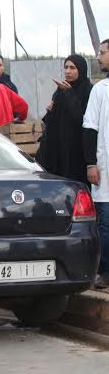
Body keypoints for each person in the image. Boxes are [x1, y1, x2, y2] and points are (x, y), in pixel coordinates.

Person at [37, 55, 93, 185]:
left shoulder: (88, 91)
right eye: (66, 67)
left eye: (72, 68)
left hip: (77, 150)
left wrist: (69, 93)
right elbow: (53, 122)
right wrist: (50, 112)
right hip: (59, 148)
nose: (68, 71)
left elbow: (82, 118)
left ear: (81, 69)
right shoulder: (61, 89)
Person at [83, 39, 109, 288]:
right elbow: (89, 129)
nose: (99, 57)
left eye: (102, 53)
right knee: (106, 223)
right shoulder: (100, 89)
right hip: (105, 170)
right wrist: (91, 163)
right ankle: (105, 271)